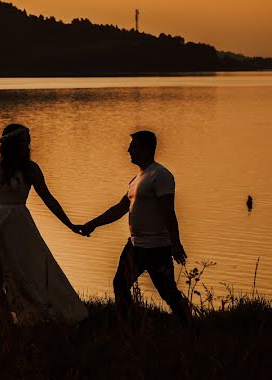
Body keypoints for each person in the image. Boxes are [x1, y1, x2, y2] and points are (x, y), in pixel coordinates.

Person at [0, 123, 88, 325]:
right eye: (24, 142)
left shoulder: (30, 169)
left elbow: (48, 199)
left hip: (19, 223)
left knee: (24, 268)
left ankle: (37, 311)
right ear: (12, 144)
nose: (28, 146)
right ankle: (2, 316)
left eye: (28, 142)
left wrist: (70, 225)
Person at [78, 131, 191, 322]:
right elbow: (120, 208)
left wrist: (176, 242)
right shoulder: (137, 178)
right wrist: (92, 224)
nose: (129, 150)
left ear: (147, 149)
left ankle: (189, 326)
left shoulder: (160, 175)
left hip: (157, 247)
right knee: (120, 284)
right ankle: (129, 326)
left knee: (167, 292)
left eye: (134, 146)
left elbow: (168, 212)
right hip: (135, 245)